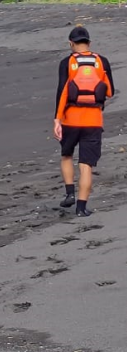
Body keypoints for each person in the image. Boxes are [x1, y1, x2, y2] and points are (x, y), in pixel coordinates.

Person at [54, 26, 114, 217]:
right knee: (86, 164)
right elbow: (109, 91)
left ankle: (69, 192)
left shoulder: (67, 62)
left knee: (67, 155)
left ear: (71, 43)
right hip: (93, 120)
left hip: (70, 118)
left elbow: (62, 91)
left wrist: (57, 119)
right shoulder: (101, 61)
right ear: (89, 42)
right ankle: (81, 208)